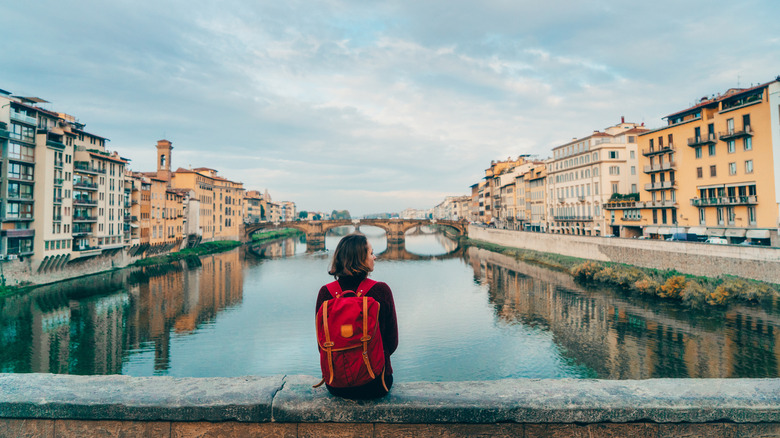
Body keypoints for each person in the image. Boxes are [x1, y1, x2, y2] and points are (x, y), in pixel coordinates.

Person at [315, 233, 398, 399]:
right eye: (370, 253)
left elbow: (321, 345)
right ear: (360, 259)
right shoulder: (381, 291)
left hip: (336, 384)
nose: (374, 257)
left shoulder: (326, 293)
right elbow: (392, 342)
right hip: (377, 383)